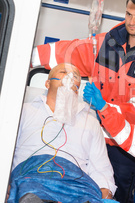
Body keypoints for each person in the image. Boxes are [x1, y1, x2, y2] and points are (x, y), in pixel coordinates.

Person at [31, 0, 135, 202]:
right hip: (93, 135)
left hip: (125, 145)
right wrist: (25, 54)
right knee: (81, 191)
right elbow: (68, 52)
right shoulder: (106, 42)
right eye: (128, 14)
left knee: (118, 196)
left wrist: (103, 107)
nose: (132, 22)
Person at [8, 63, 116, 203]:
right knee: (28, 192)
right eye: (63, 72)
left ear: (77, 89)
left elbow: (101, 169)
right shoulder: (24, 111)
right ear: (47, 83)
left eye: (75, 75)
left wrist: (104, 196)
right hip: (32, 178)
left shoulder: (90, 122)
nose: (69, 76)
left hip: (77, 185)